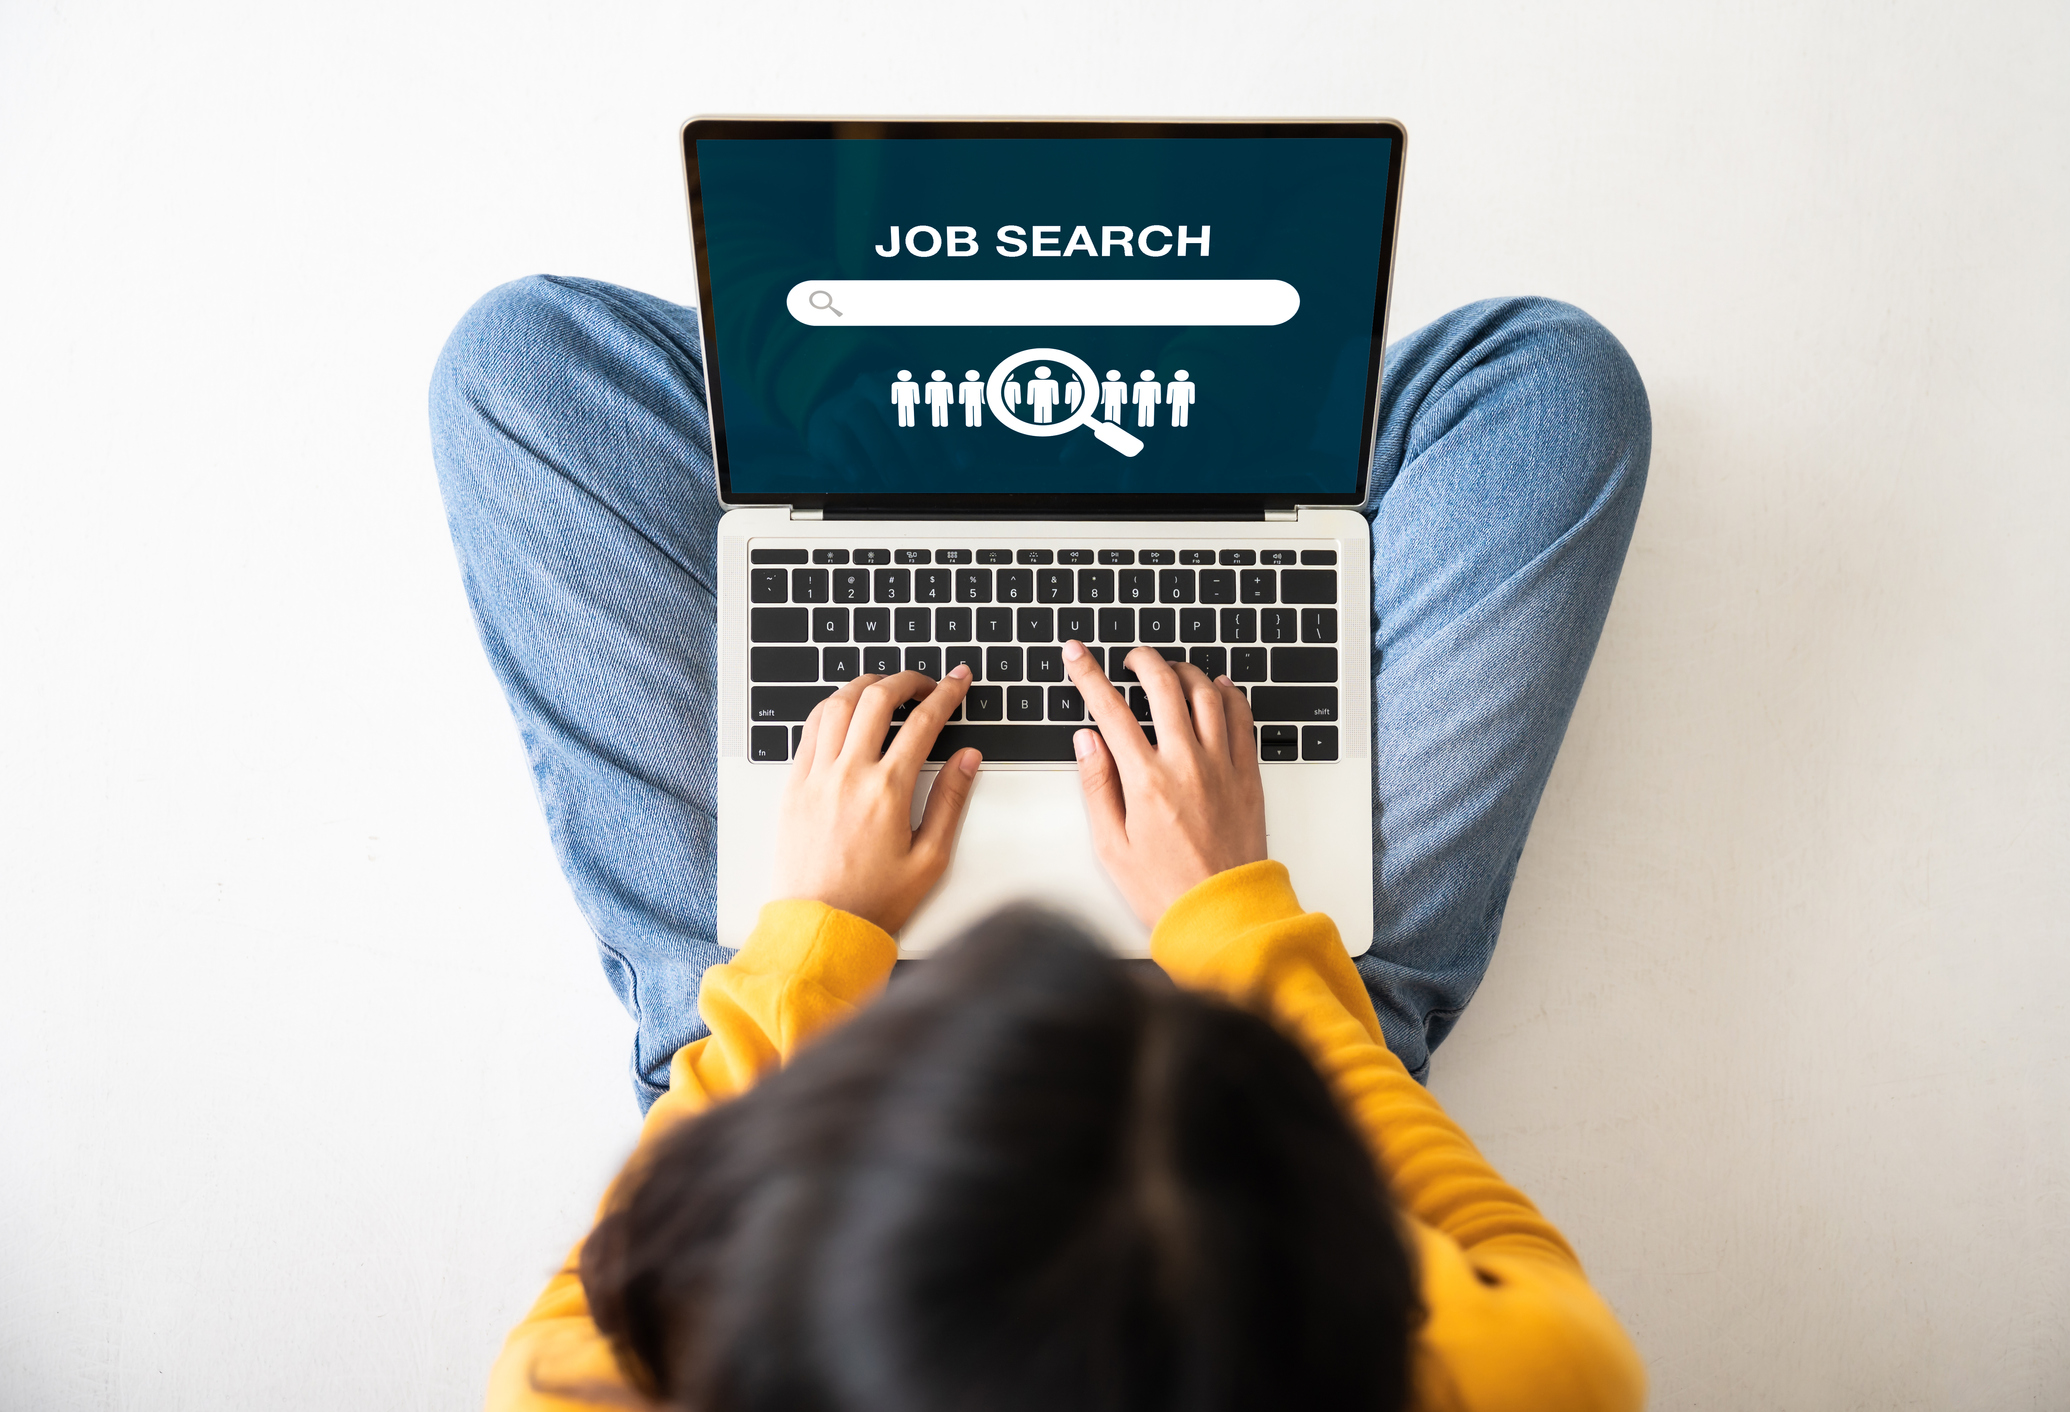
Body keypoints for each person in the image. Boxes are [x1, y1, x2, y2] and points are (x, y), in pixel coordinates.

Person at [430, 280, 1653, 1410]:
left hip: (802, 1110)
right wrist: (1236, 918)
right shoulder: (1504, 1374)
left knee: (516, 363)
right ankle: (1104, 424)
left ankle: (984, 423)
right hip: (1271, 1085)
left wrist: (804, 937)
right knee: (1549, 386)